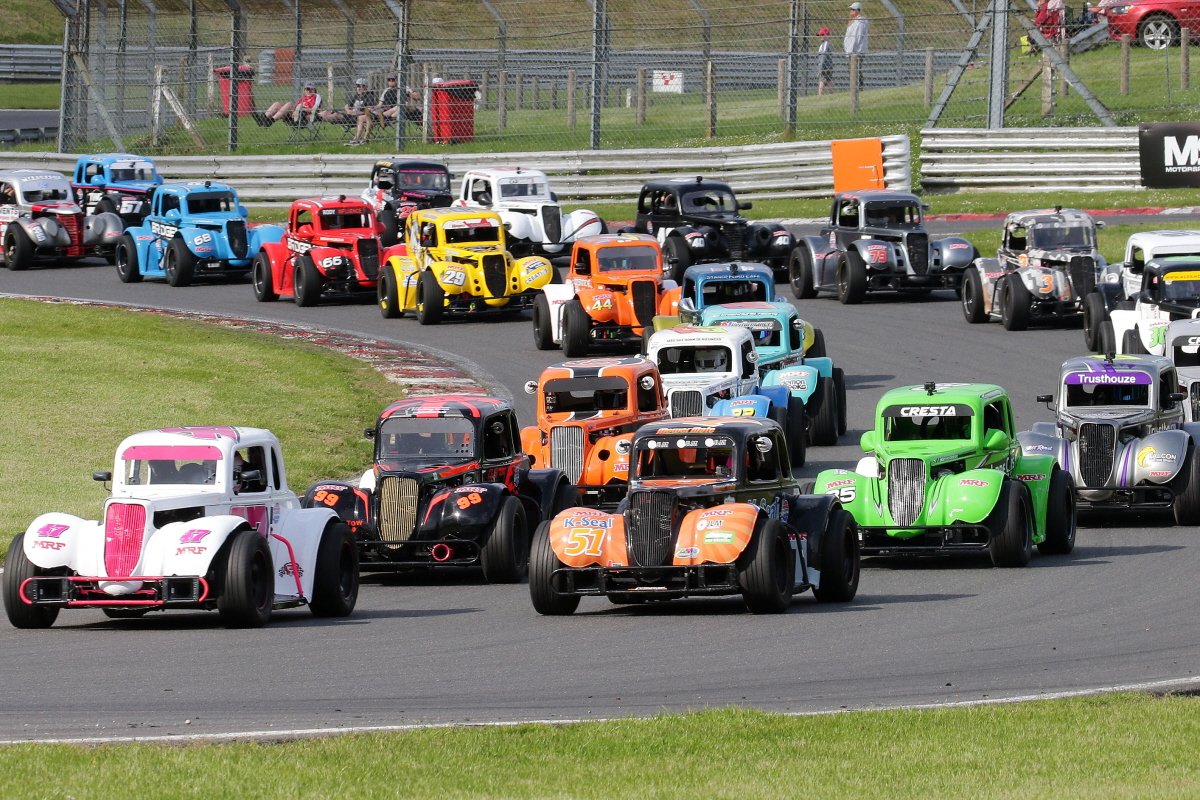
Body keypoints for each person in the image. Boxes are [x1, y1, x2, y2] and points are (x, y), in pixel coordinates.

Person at [350, 74, 399, 146]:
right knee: (361, 117)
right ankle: (356, 138)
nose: (391, 81)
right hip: (382, 110)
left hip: (389, 111)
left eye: (393, 80)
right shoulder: (386, 90)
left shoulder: (403, 89)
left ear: (397, 80)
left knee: (368, 117)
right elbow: (380, 104)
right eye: (389, 80)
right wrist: (374, 108)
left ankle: (365, 139)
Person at [255, 81, 321, 127]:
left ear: (314, 90)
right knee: (277, 104)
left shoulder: (316, 97)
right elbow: (296, 107)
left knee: (289, 104)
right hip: (293, 114)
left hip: (302, 117)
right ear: (304, 90)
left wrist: (300, 109)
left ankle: (271, 120)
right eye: (307, 89)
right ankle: (263, 119)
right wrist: (295, 109)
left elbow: (314, 110)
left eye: (311, 89)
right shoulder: (303, 98)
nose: (309, 91)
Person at [844, 2, 869, 90]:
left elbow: (857, 37)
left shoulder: (860, 22)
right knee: (852, 71)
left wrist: (852, 50)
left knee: (856, 71)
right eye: (851, 9)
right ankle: (854, 89)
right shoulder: (854, 21)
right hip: (852, 51)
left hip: (856, 51)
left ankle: (858, 89)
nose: (851, 11)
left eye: (853, 9)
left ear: (858, 11)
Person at [817, 27, 834, 96]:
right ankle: (832, 94)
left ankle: (820, 95)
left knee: (821, 80)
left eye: (822, 35)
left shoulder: (825, 44)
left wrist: (821, 67)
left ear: (827, 35)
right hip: (828, 66)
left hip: (824, 66)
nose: (820, 36)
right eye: (820, 35)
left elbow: (823, 56)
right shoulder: (826, 44)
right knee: (829, 80)